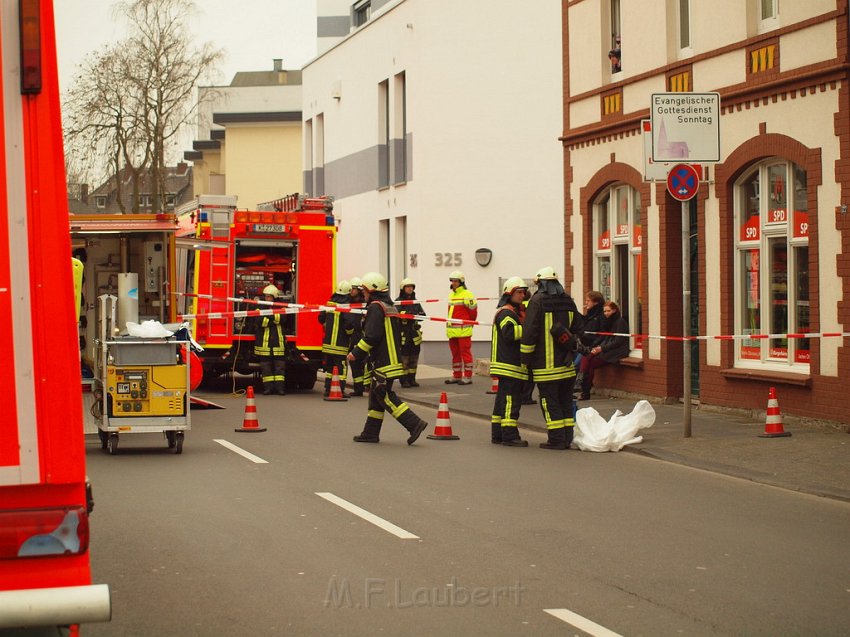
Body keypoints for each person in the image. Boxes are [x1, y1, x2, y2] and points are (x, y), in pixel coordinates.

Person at [348, 272, 429, 444]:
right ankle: (370, 433)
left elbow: (371, 336)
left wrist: (355, 353)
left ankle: (414, 424)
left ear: (373, 289)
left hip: (382, 362)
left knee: (383, 395)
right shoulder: (389, 306)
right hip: (391, 359)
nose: (363, 292)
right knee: (376, 398)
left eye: (365, 289)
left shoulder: (375, 307)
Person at [520, 266, 584, 450]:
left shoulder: (537, 301)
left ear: (540, 283)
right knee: (565, 402)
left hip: (545, 367)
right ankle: (566, 439)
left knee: (549, 402)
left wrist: (525, 359)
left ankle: (556, 440)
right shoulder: (568, 301)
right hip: (567, 365)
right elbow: (580, 331)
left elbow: (529, 332)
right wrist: (571, 352)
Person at [490, 277, 529, 447]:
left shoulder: (511, 312)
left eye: (523, 292)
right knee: (510, 401)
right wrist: (530, 328)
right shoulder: (506, 313)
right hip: (509, 365)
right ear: (509, 294)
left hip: (508, 365)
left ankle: (498, 434)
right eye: (518, 292)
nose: (522, 295)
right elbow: (509, 333)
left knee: (502, 401)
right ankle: (509, 435)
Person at [578, 300, 630, 400]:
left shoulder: (620, 322)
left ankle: (583, 388)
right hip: (605, 347)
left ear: (615, 310)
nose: (606, 314)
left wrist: (601, 348)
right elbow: (603, 337)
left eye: (608, 311)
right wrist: (595, 347)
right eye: (605, 311)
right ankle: (582, 386)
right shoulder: (606, 322)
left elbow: (618, 341)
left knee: (591, 363)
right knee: (587, 356)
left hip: (616, 351)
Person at [318, 280, 356, 397]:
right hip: (340, 344)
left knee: (330, 369)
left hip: (328, 344)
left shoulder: (329, 304)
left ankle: (327, 389)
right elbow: (349, 324)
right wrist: (350, 333)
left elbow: (320, 318)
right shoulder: (345, 306)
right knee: (341, 370)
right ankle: (340, 390)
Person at [253, 284, 287, 395]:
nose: (267, 298)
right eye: (266, 296)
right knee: (266, 368)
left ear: (274, 297)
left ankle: (280, 389)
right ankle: (268, 388)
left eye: (269, 296)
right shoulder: (259, 307)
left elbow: (282, 318)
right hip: (264, 345)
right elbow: (260, 321)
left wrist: (268, 317)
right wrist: (273, 318)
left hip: (278, 344)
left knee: (279, 368)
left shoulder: (281, 307)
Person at [445, 270, 477, 385]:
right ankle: (457, 375)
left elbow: (473, 312)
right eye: (452, 281)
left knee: (466, 354)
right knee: (455, 355)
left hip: (463, 330)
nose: (453, 283)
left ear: (461, 282)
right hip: (452, 331)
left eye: (455, 281)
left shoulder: (467, 294)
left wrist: (470, 323)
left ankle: (468, 377)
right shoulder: (451, 294)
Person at [395, 278, 425, 388]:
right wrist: (407, 313)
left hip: (414, 335)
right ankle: (404, 380)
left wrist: (418, 314)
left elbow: (423, 315)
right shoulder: (398, 301)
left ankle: (412, 379)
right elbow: (397, 314)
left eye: (411, 287)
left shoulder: (416, 302)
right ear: (403, 289)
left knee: (414, 358)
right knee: (404, 359)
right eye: (408, 287)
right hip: (403, 334)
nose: (410, 289)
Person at [574, 290, 605, 392]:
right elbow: (584, 323)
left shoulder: (600, 316)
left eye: (588, 300)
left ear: (595, 302)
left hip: (592, 346)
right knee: (576, 363)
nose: (586, 302)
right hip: (585, 344)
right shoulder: (590, 314)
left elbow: (600, 333)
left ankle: (580, 387)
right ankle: (580, 388)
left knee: (578, 364)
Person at [346, 277, 370, 396]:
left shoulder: (365, 303)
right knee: (355, 364)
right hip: (353, 338)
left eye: (353, 289)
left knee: (365, 363)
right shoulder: (348, 303)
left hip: (363, 336)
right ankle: (358, 388)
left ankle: (368, 385)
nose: (351, 291)